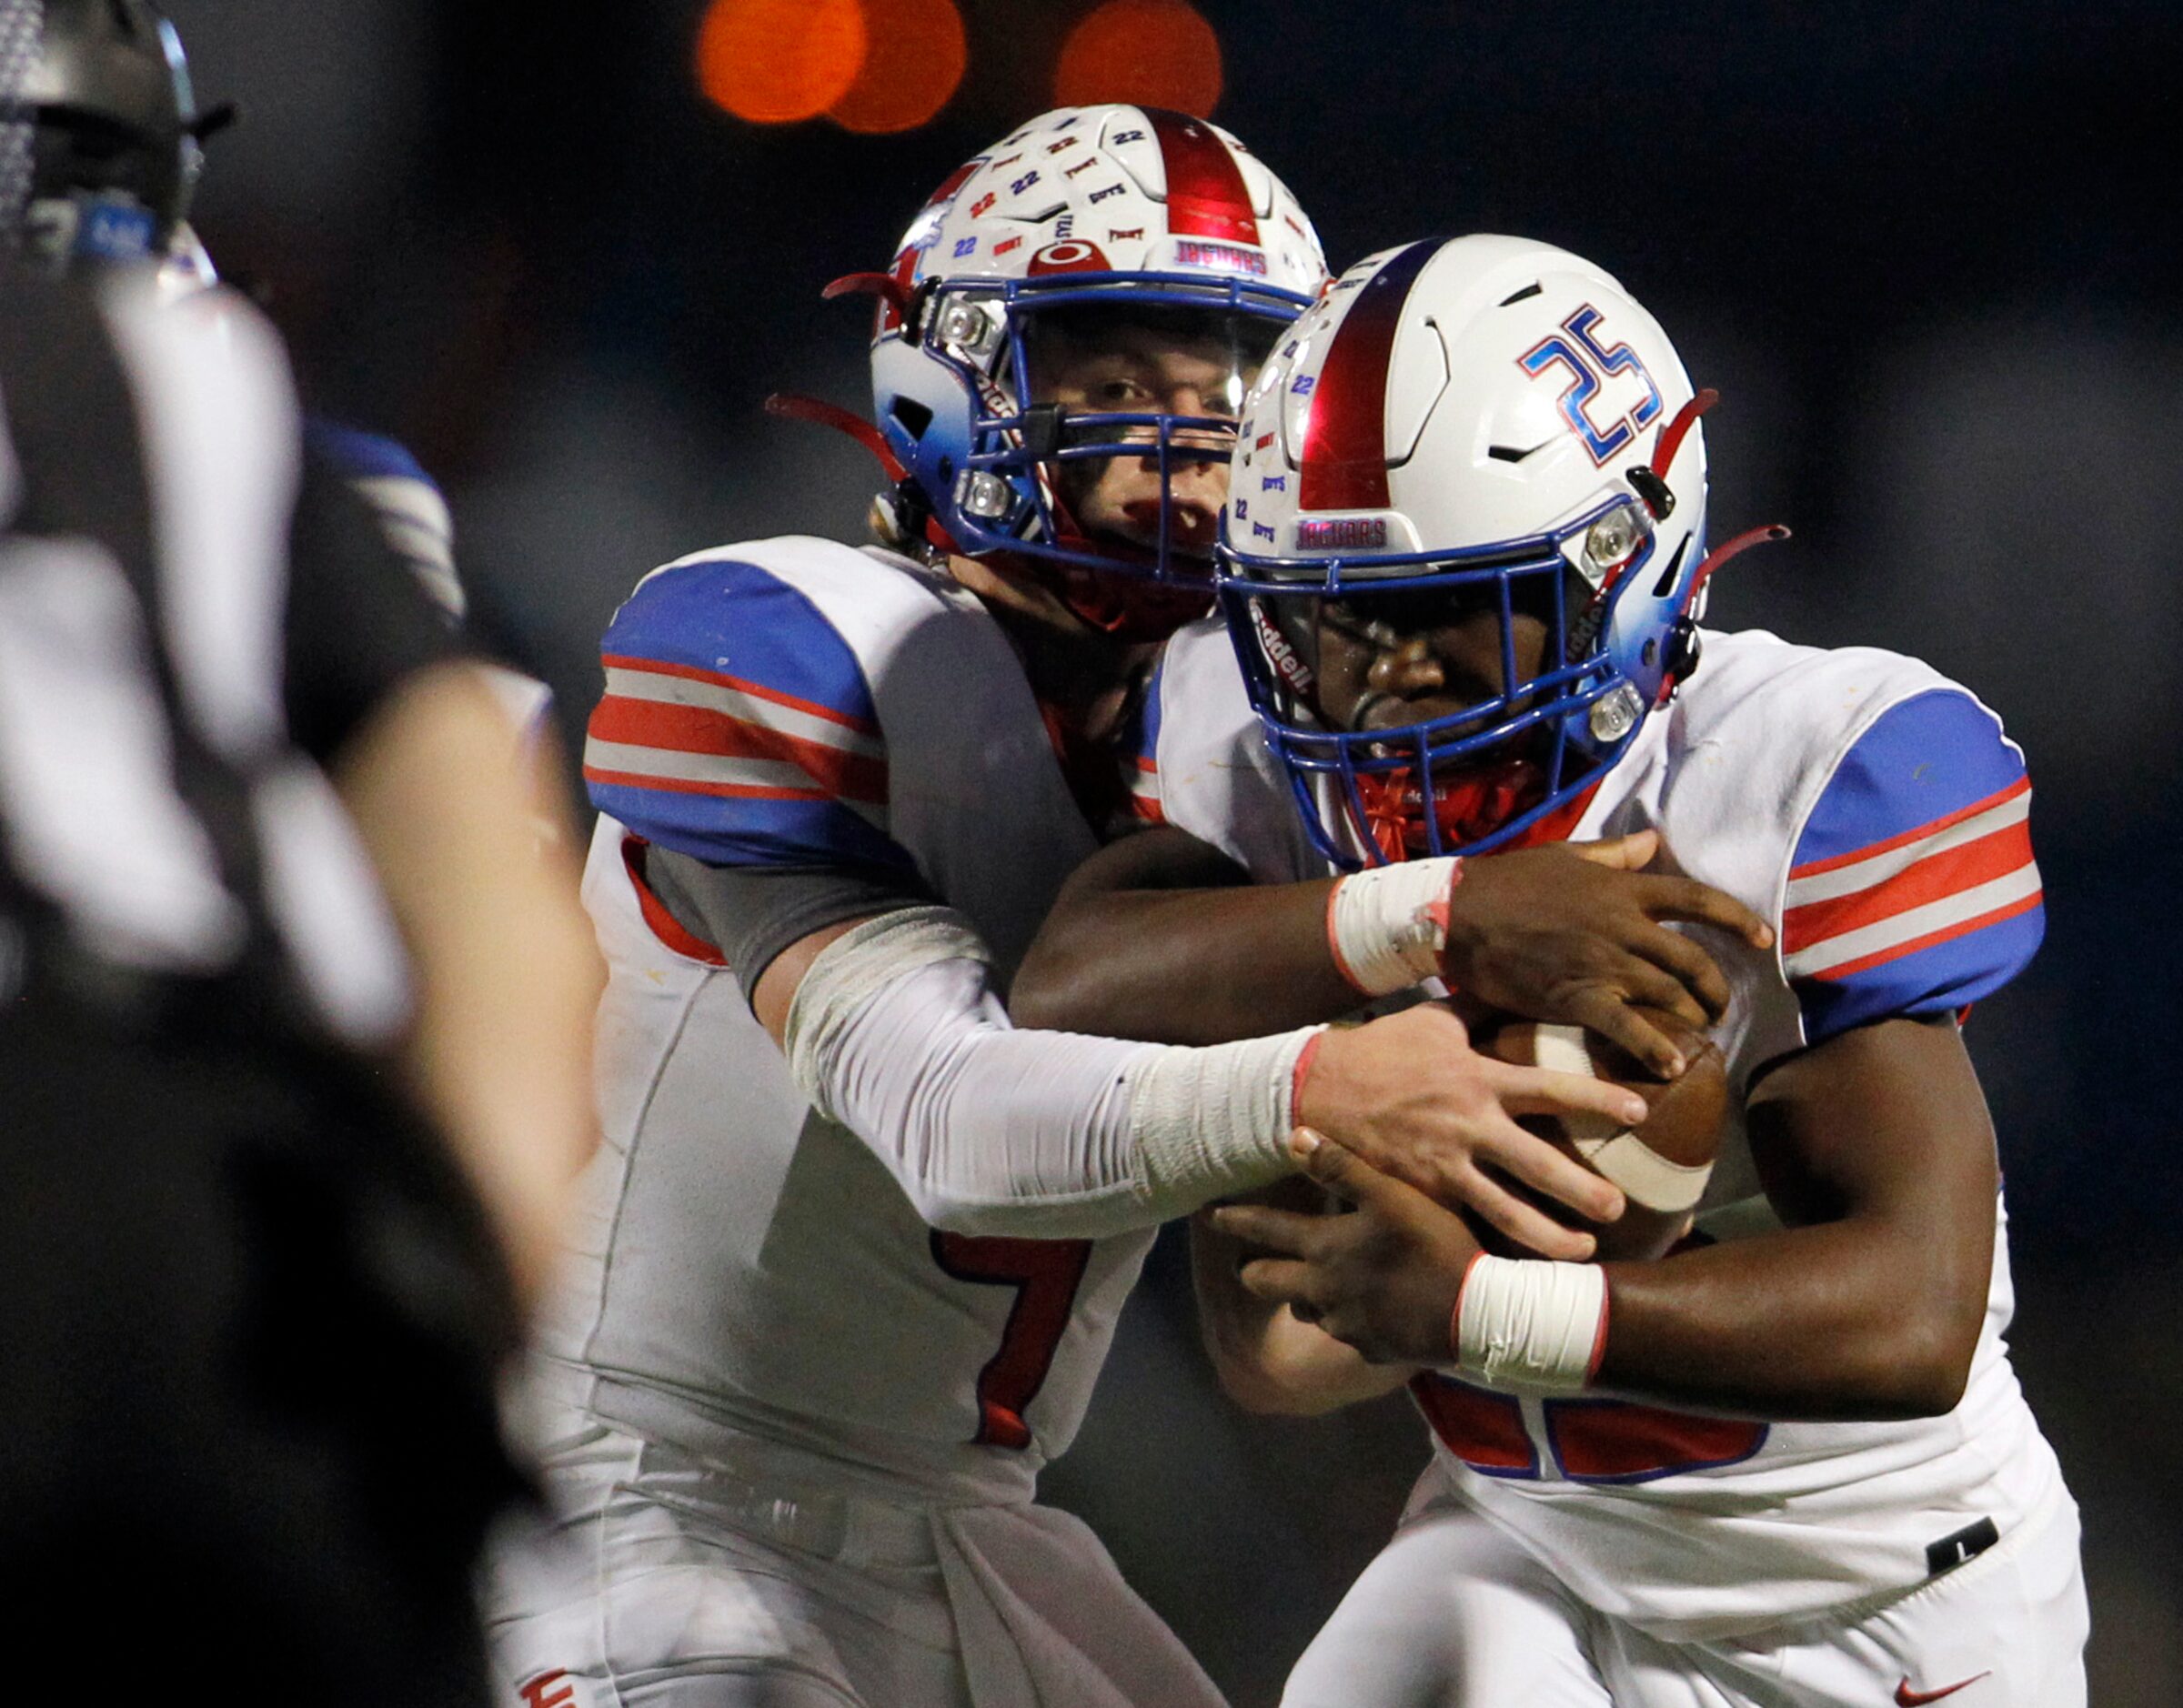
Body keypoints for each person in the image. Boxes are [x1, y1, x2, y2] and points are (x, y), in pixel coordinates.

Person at [482, 113, 1761, 1708]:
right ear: (941, 377)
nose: (1188, 435)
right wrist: (1358, 1045)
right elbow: (945, 1112)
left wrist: (1536, 1205)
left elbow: (1274, 1341)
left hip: (971, 1536)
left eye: (1230, 384)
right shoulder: (797, 642)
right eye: (1114, 376)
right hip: (652, 1512)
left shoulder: (1251, 743)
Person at [1010, 234, 2087, 1705]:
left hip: (1869, 1597)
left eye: (1442, 607)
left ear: (1616, 578)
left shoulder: (1786, 775)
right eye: (1326, 620)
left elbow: (1918, 1308)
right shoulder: (1259, 773)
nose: (1376, 676)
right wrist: (1446, 916)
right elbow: (1067, 994)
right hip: (1528, 1546)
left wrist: (1476, 1312)